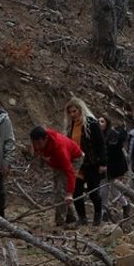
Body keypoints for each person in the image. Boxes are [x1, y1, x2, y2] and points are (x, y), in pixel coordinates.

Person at [29, 125, 83, 226]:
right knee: (58, 186)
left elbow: (70, 172)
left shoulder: (60, 149)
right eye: (35, 143)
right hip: (56, 161)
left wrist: (70, 192)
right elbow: (38, 151)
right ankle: (71, 217)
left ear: (46, 139)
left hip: (74, 158)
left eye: (39, 143)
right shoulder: (41, 140)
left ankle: (60, 222)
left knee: (61, 191)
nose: (37, 146)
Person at [64, 97, 106, 225]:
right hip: (77, 164)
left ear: (80, 110)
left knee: (93, 192)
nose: (72, 114)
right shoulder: (70, 126)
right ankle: (82, 218)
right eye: (70, 112)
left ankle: (98, 215)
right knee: (76, 192)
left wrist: (103, 163)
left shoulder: (91, 123)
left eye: (74, 111)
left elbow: (101, 143)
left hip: (92, 162)